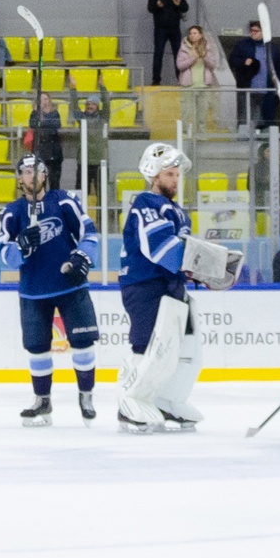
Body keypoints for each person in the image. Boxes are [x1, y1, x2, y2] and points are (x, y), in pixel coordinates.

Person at [117, 142, 233, 432]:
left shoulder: (178, 212)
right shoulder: (145, 204)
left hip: (172, 285)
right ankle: (130, 402)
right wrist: (197, 263)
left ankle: (168, 400)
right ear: (153, 175)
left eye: (177, 175)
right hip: (144, 284)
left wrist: (205, 270)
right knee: (147, 345)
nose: (175, 180)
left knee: (186, 348)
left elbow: (184, 256)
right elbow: (161, 249)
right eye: (169, 174)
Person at [0, 155, 98, 426]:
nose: (31, 176)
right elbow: (5, 253)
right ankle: (42, 401)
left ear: (44, 175)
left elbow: (89, 234)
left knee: (82, 343)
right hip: (34, 290)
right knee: (37, 348)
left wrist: (82, 257)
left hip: (70, 285)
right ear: (20, 178)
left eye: (36, 171)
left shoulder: (64, 200)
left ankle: (86, 396)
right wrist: (22, 247)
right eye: (26, 172)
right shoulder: (12, 212)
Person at [146, 0, 187, 85]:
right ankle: (156, 80)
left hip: (174, 29)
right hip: (160, 29)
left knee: (178, 55)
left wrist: (179, 4)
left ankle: (181, 79)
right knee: (158, 54)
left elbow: (185, 8)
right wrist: (157, 6)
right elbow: (150, 9)